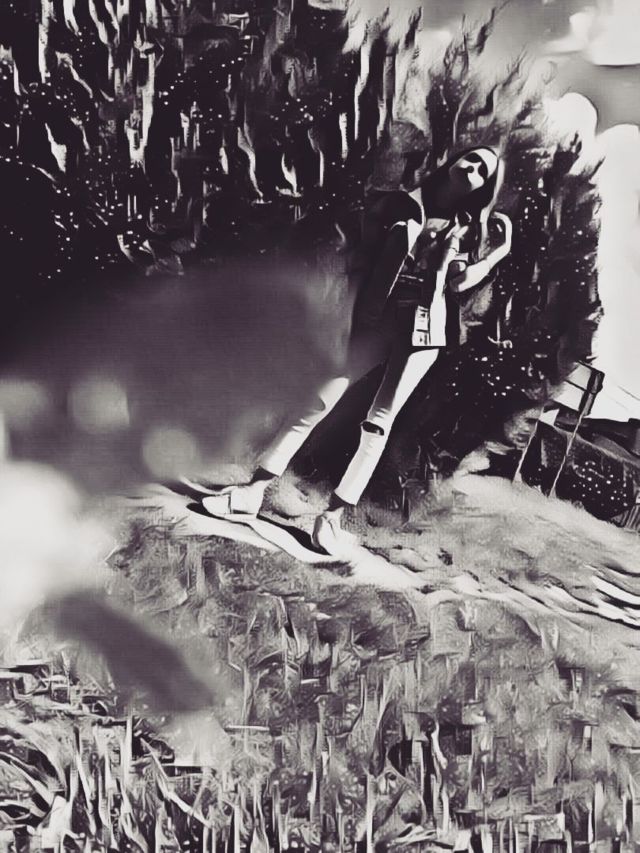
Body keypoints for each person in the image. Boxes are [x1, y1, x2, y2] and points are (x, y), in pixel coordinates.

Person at [199, 146, 513, 554]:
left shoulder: (467, 229)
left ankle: (331, 518)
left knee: (378, 422)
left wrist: (497, 253)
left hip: (423, 330)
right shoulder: (403, 202)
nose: (470, 167)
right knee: (317, 399)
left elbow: (457, 283)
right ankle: (251, 492)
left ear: (484, 188)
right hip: (377, 317)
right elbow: (362, 253)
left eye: (481, 170)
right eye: (469, 159)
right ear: (453, 161)